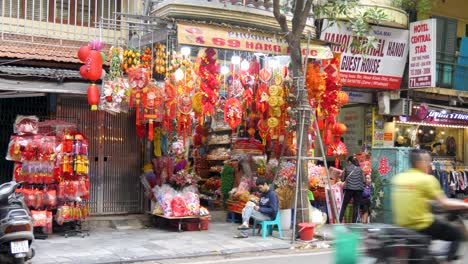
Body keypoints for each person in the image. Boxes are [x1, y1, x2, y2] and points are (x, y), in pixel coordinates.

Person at [391, 149, 468, 262]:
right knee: (456, 234)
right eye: (427, 161)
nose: (429, 164)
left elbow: (414, 197)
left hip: (402, 226)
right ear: (420, 162)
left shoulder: (398, 179)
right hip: (422, 226)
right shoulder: (427, 179)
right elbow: (445, 203)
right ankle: (448, 261)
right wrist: (465, 205)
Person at [339, 156, 364, 223]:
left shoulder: (347, 168)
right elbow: (363, 180)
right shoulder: (360, 169)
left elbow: (342, 179)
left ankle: (340, 220)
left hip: (349, 188)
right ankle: (354, 222)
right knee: (356, 206)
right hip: (358, 189)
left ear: (350, 161)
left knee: (344, 205)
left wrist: (341, 175)